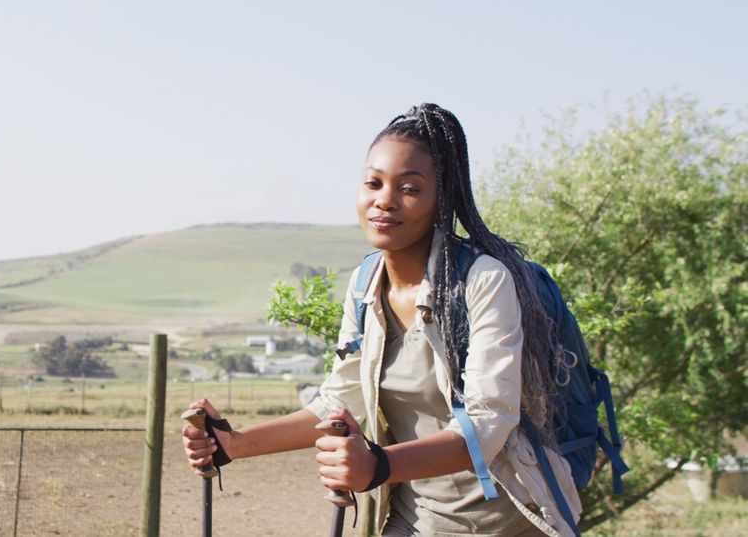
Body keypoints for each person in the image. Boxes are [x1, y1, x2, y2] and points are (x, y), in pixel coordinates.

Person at [182, 104, 582, 536]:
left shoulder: (483, 281)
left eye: (409, 188)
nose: (384, 200)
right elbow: (340, 400)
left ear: (440, 200)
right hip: (415, 518)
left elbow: (488, 424)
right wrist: (235, 444)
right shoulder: (365, 283)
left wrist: (377, 465)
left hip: (509, 523)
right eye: (373, 183)